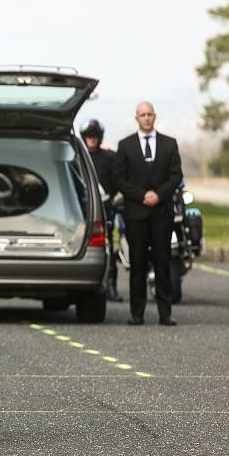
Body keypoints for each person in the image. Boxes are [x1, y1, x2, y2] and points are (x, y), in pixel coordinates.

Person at [114, 101, 183, 326]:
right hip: (136, 213)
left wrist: (158, 195)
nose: (146, 118)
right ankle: (137, 313)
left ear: (155, 116)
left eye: (149, 114)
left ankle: (165, 313)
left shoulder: (169, 144)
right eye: (142, 115)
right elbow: (119, 179)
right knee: (138, 264)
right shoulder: (125, 146)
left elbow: (175, 176)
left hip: (162, 212)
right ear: (136, 118)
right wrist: (142, 195)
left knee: (163, 262)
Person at [79, 118, 123, 302]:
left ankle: (111, 286)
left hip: (105, 208)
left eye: (95, 136)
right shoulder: (75, 157)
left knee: (108, 246)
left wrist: (114, 200)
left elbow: (119, 181)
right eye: (89, 136)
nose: (92, 139)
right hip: (81, 209)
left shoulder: (110, 158)